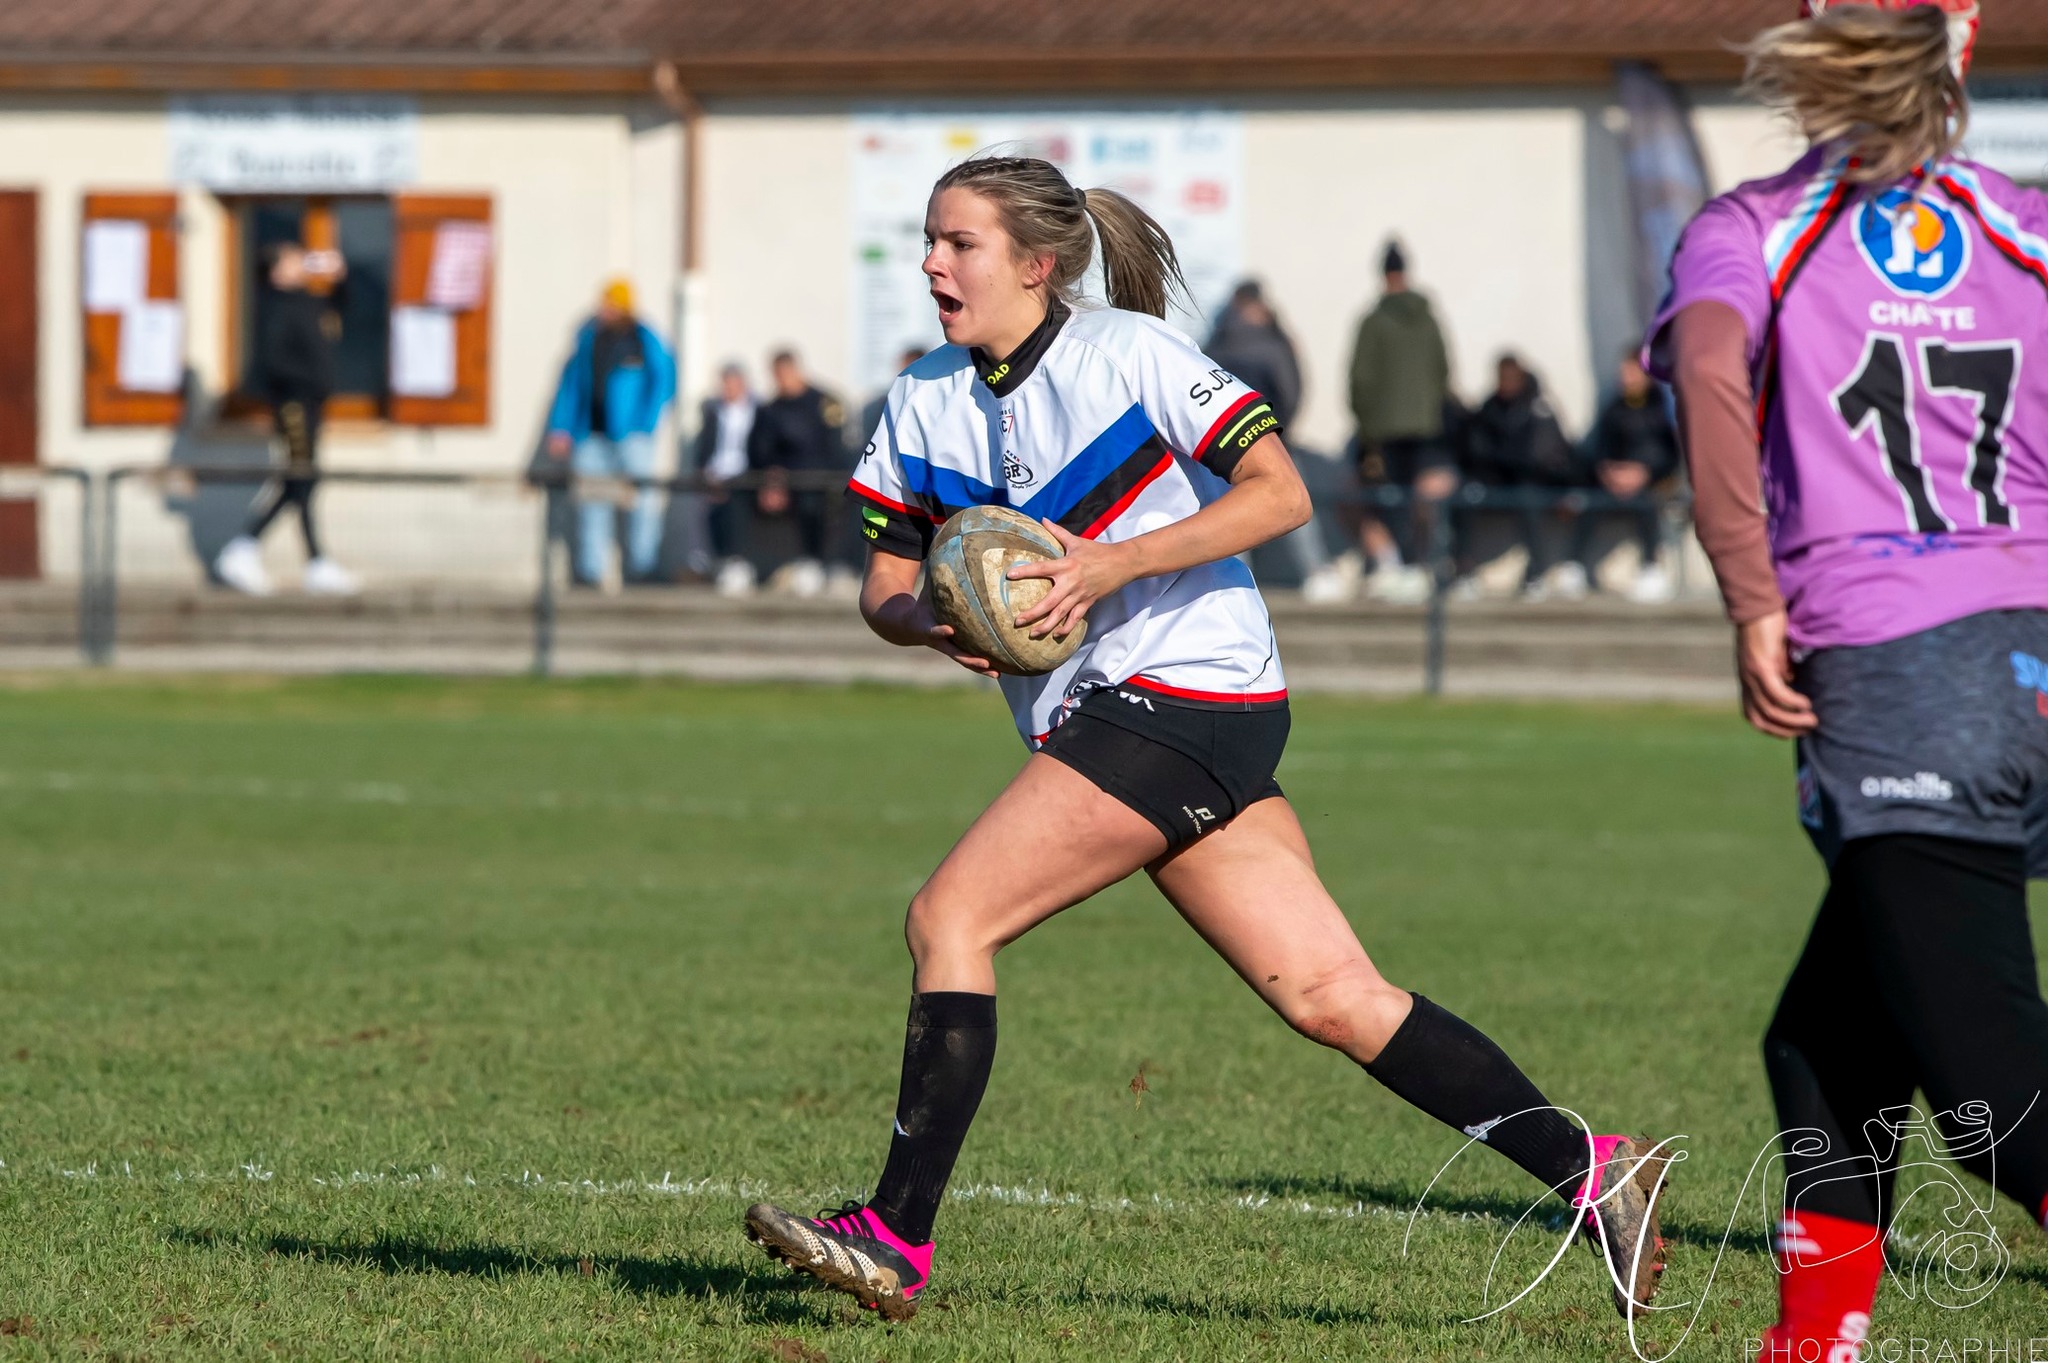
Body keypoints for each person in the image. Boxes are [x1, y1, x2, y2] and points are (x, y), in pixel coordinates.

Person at [741, 154, 1671, 1325]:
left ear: (1035, 265)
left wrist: (1108, 562)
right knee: (1332, 994)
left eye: (956, 243)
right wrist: (930, 624)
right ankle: (1598, 1171)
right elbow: (879, 582)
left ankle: (892, 1236)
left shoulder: (1129, 356)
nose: (930, 262)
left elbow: (1279, 493)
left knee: (950, 916)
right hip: (1108, 717)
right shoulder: (923, 397)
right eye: (927, 240)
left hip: (1191, 692)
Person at [1645, 3, 2048, 1358]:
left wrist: (1753, 596)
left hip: (1905, 668)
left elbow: (1710, 385)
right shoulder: (2027, 221)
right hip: (2030, 653)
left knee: (1994, 1092)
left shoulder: (1752, 225)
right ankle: (1812, 1338)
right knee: (1824, 1040)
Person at [213, 242, 359, 597]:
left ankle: (306, 561)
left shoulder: (305, 299)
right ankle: (250, 550)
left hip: (311, 402)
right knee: (301, 477)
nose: (301, 263)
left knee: (301, 481)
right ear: (276, 270)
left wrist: (340, 278)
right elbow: (274, 361)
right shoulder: (273, 305)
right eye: (293, 259)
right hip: (293, 404)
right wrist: (306, 385)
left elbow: (344, 308)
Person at [1205, 281, 1344, 602]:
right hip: (1271, 438)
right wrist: (1280, 430)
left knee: (1231, 517)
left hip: (1222, 449)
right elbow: (1292, 389)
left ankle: (1234, 587)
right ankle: (1317, 572)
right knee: (1295, 504)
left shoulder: (1215, 342)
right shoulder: (1274, 341)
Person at [544, 278, 677, 588]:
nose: (604, 309)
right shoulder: (589, 339)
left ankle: (642, 567)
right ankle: (590, 571)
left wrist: (645, 423)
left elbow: (663, 381)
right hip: (591, 437)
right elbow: (571, 387)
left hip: (632, 439)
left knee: (642, 503)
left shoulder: (644, 339)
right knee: (592, 504)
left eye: (611, 304)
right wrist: (561, 428)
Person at [1346, 241, 1454, 604]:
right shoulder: (1428, 319)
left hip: (1382, 430)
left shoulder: (1374, 321)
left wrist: (1366, 426)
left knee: (1383, 498)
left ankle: (1396, 565)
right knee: (1420, 499)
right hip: (1426, 426)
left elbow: (1360, 379)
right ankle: (1423, 565)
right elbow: (1443, 370)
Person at [1562, 352, 1681, 604]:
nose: (1625, 379)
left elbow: (1670, 453)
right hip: (1613, 482)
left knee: (1647, 503)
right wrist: (1608, 472)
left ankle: (1651, 568)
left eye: (1631, 372)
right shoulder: (1613, 407)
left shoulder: (1661, 408)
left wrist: (1644, 472)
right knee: (1588, 502)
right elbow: (1598, 447)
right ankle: (1575, 567)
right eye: (1623, 373)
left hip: (1652, 482)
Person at [1460, 354, 1578, 599]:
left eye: (1512, 378)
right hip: (1497, 482)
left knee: (1528, 499)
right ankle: (1464, 572)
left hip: (1536, 483)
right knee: (1465, 496)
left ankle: (1536, 574)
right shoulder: (1490, 408)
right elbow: (1476, 448)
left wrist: (1503, 457)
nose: (1507, 383)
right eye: (1502, 378)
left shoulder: (1539, 408)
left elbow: (1541, 457)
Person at [746, 349, 847, 598]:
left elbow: (838, 448)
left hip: (823, 481)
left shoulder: (826, 402)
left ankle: (822, 563)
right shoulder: (770, 409)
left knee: (817, 501)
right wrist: (771, 481)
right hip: (784, 483)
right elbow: (759, 450)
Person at [692, 362, 758, 597]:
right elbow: (705, 448)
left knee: (734, 508)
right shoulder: (714, 411)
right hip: (716, 475)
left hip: (745, 476)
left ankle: (735, 561)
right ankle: (708, 562)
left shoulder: (757, 411)